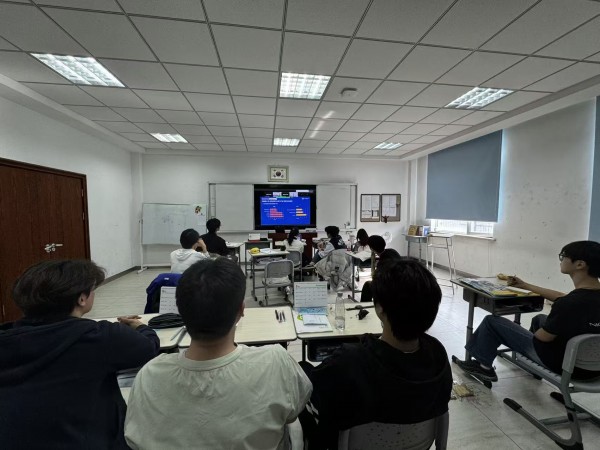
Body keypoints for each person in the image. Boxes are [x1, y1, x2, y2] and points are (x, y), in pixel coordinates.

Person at [125, 258, 312, 450]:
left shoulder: (149, 375)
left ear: (180, 311)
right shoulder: (276, 362)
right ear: (241, 310)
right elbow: (295, 411)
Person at [0, 260, 159, 450]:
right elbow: (148, 347)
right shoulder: (99, 336)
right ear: (82, 299)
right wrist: (140, 327)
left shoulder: (7, 338)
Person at [301, 258, 452, 450]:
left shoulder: (348, 363)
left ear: (380, 308)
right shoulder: (438, 357)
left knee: (302, 369)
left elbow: (311, 398)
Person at [455, 240, 600, 383]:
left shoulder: (568, 304)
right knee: (539, 319)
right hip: (594, 370)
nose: (561, 260)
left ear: (580, 264)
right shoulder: (581, 297)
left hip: (565, 366)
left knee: (492, 322)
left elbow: (543, 337)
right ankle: (531, 366)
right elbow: (562, 297)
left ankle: (484, 368)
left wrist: (518, 334)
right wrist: (525, 286)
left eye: (563, 256)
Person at [359, 234, 402, 302]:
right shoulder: (392, 251)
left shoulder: (382, 263)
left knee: (367, 286)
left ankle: (365, 306)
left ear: (372, 249)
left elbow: (379, 279)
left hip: (392, 287)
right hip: (402, 282)